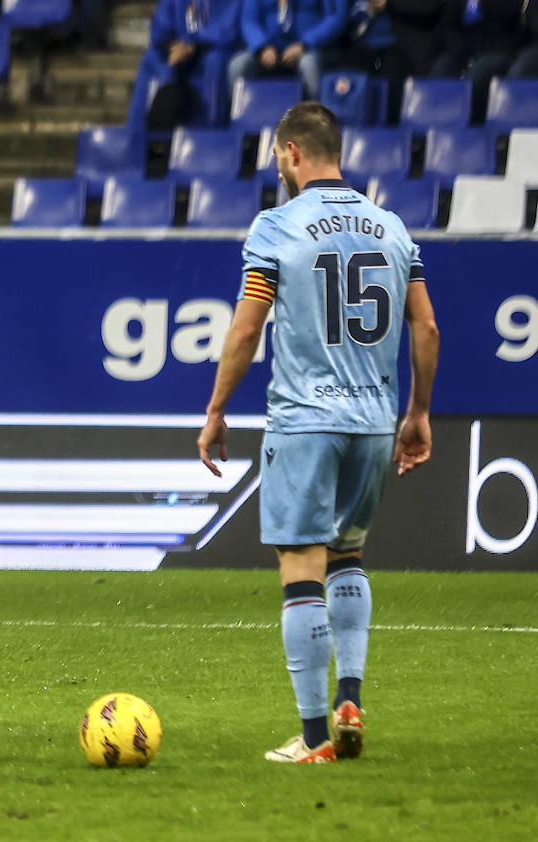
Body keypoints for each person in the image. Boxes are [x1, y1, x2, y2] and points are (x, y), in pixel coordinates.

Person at [197, 102, 439, 763]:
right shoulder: (391, 229)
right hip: (371, 422)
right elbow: (427, 327)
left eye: (278, 155)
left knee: (300, 566)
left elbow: (247, 328)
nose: (277, 164)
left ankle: (312, 739)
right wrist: (416, 413)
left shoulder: (277, 227)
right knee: (348, 556)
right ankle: (351, 698)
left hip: (306, 421)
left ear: (293, 153)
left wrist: (217, 408)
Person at [128, 0, 240, 128]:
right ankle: (136, 132)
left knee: (215, 60)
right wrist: (172, 47)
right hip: (176, 51)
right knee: (151, 58)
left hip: (210, 50)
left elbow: (226, 31)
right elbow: (160, 29)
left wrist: (193, 47)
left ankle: (209, 130)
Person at [227, 0, 350, 100]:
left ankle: (315, 120)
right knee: (238, 65)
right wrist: (261, 47)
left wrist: (305, 44)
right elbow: (249, 20)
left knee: (309, 64)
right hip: (267, 49)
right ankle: (239, 123)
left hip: (310, 48)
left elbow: (336, 18)